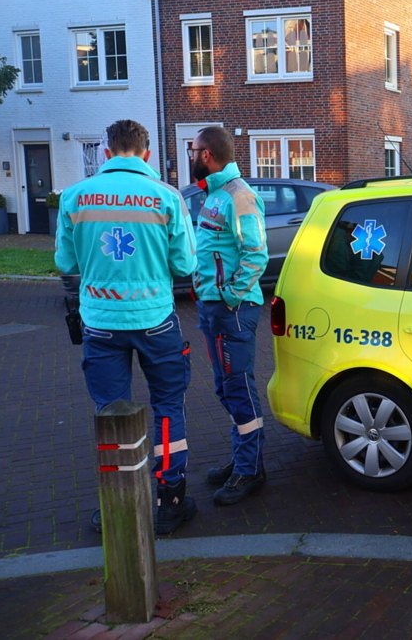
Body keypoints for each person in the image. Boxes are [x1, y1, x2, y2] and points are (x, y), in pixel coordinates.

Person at [55, 119, 198, 535]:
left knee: (112, 412)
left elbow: (66, 264)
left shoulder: (75, 197)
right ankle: (170, 500)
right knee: (168, 409)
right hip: (155, 320)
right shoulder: (166, 197)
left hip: (100, 322)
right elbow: (185, 265)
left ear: (105, 152)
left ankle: (120, 502)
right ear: (147, 153)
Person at [189, 126, 269, 505]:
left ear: (207, 154)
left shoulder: (238, 196)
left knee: (238, 388)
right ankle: (243, 459)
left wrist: (228, 297)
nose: (190, 156)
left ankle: (249, 470)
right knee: (225, 388)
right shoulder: (217, 194)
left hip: (230, 311)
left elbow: (256, 254)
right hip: (214, 309)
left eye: (192, 150)